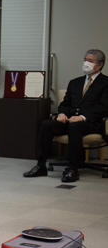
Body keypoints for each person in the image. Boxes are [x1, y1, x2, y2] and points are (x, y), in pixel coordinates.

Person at [24, 49, 108, 182]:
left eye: (90, 61)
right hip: (69, 120)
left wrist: (82, 117)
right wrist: (62, 113)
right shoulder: (75, 82)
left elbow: (103, 107)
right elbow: (65, 103)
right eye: (85, 60)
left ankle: (72, 168)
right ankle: (41, 165)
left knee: (75, 126)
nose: (86, 63)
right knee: (46, 125)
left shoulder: (105, 83)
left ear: (100, 64)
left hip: (92, 123)